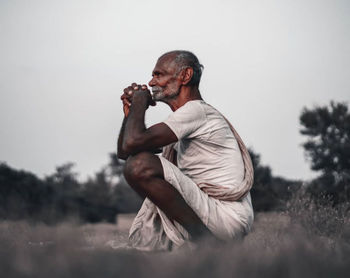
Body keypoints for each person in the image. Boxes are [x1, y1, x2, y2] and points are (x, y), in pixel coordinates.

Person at [117, 50, 254, 251]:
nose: (152, 82)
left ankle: (209, 246)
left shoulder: (197, 111)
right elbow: (125, 151)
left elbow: (133, 149)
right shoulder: (185, 120)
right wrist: (130, 114)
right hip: (211, 212)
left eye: (158, 75)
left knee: (140, 165)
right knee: (136, 160)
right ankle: (199, 244)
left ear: (185, 76)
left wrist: (139, 102)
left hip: (225, 216)